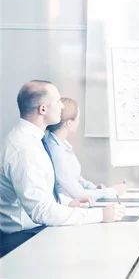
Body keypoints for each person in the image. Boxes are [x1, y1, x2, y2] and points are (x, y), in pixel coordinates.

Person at [0, 81, 126, 257]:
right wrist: (100, 215)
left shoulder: (32, 140)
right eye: (58, 100)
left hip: (33, 228)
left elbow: (38, 194)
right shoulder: (23, 149)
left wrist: (66, 203)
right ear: (42, 109)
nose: (61, 105)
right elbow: (40, 211)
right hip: (22, 238)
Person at [46, 98, 127, 200]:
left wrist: (94, 188)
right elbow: (77, 194)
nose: (79, 122)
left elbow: (75, 178)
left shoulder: (62, 144)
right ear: (69, 122)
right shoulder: (55, 151)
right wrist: (113, 191)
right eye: (78, 118)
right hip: (68, 205)